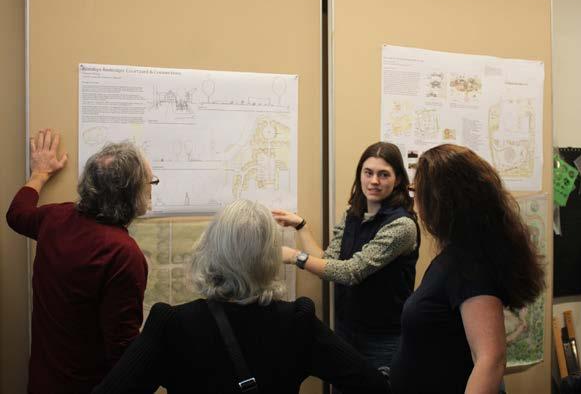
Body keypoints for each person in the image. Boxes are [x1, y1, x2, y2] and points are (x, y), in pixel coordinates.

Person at [93, 199, 390, 394]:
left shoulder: (171, 325)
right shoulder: (298, 321)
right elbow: (373, 385)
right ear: (270, 257)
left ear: (209, 249)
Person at [390, 144, 546, 394]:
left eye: (416, 191)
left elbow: (491, 360)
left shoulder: (469, 265)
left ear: (439, 201)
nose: (414, 199)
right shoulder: (456, 256)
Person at [5, 129, 152, 393]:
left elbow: (17, 214)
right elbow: (122, 349)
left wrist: (39, 174)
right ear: (132, 194)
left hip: (42, 383)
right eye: (150, 183)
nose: (150, 189)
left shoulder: (55, 219)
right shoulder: (123, 254)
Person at [272, 141, 419, 369]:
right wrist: (301, 226)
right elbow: (328, 263)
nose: (374, 181)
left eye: (383, 175)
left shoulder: (402, 226)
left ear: (398, 179)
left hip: (382, 339)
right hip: (347, 331)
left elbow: (350, 272)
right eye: (368, 172)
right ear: (360, 174)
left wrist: (294, 257)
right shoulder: (353, 214)